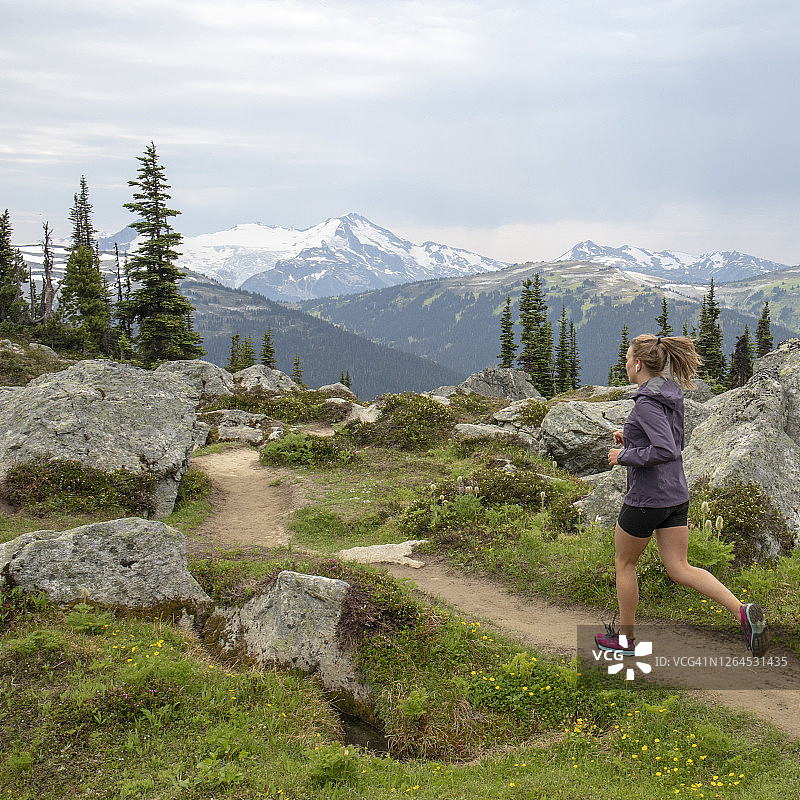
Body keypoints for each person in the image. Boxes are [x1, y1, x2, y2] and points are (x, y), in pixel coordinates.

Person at [594, 333, 769, 657]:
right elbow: (670, 437)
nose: (626, 363)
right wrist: (630, 434)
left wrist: (624, 456)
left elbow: (664, 447)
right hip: (676, 494)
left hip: (647, 498)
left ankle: (625, 641)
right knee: (679, 567)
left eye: (628, 357)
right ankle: (741, 611)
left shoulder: (646, 402)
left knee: (625, 563)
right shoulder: (668, 391)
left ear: (638, 363)